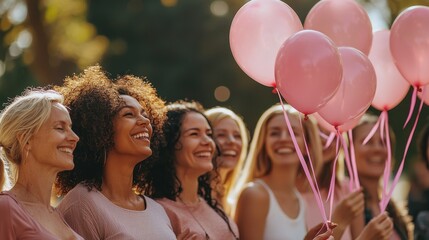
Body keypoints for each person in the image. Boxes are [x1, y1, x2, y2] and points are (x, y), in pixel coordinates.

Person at [55, 66, 176, 239]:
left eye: (144, 114)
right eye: (129, 114)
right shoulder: (81, 203)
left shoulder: (156, 209)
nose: (144, 121)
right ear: (101, 129)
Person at [142, 101, 240, 239]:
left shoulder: (211, 203)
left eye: (209, 134)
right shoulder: (158, 211)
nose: (207, 141)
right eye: (194, 134)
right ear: (169, 143)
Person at [233, 104, 328, 240]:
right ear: (264, 142)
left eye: (293, 133)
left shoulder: (300, 202)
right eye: (274, 133)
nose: (283, 138)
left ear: (308, 145)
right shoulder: (255, 195)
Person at [0, 88, 83, 239]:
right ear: (26, 140)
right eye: (60, 128)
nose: (75, 137)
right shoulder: (5, 208)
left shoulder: (57, 214)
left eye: (70, 128)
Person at [353, 113, 413, 240]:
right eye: (367, 141)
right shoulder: (344, 201)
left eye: (383, 142)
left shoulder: (393, 208)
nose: (377, 149)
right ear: (349, 149)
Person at [304, 125, 365, 240]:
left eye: (332, 135)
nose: (325, 141)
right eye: (319, 133)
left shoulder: (349, 190)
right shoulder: (288, 193)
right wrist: (340, 223)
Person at [205, 106, 249, 215]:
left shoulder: (232, 203)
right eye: (221, 135)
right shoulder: (193, 200)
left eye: (237, 136)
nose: (232, 141)